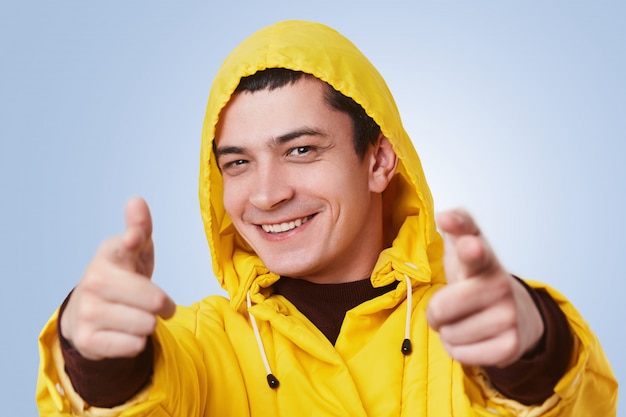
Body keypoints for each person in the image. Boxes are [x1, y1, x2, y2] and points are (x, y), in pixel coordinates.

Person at [36, 20, 617, 416]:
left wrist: (533, 352)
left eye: (301, 151)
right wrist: (96, 359)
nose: (265, 195)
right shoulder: (195, 344)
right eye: (238, 163)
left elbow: (576, 405)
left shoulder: (465, 335)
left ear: (378, 160)